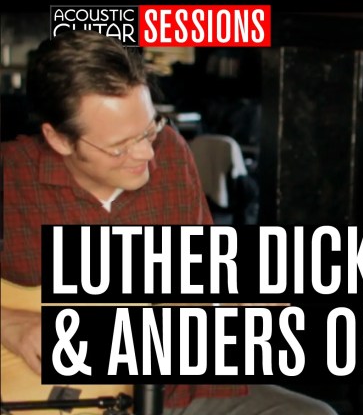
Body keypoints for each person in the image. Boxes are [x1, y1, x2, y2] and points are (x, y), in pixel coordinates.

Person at [0, 30, 336, 415]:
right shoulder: (10, 174)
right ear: (60, 140)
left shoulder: (171, 153)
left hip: (170, 390)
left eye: (149, 128)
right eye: (120, 146)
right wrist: (10, 323)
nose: (147, 153)